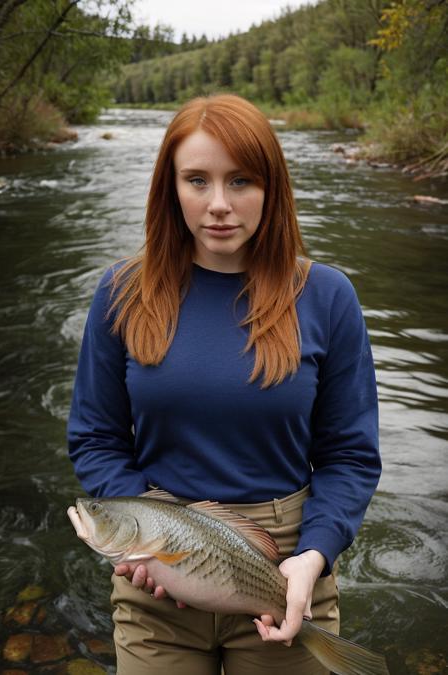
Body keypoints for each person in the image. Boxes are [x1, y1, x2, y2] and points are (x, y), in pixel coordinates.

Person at [67, 94, 381, 675]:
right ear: (170, 187)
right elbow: (95, 438)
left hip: (283, 566)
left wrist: (313, 556)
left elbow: (350, 457)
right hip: (155, 570)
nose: (218, 205)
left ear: (273, 188)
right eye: (196, 180)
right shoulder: (120, 293)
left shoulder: (328, 297)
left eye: (240, 181)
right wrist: (141, 530)